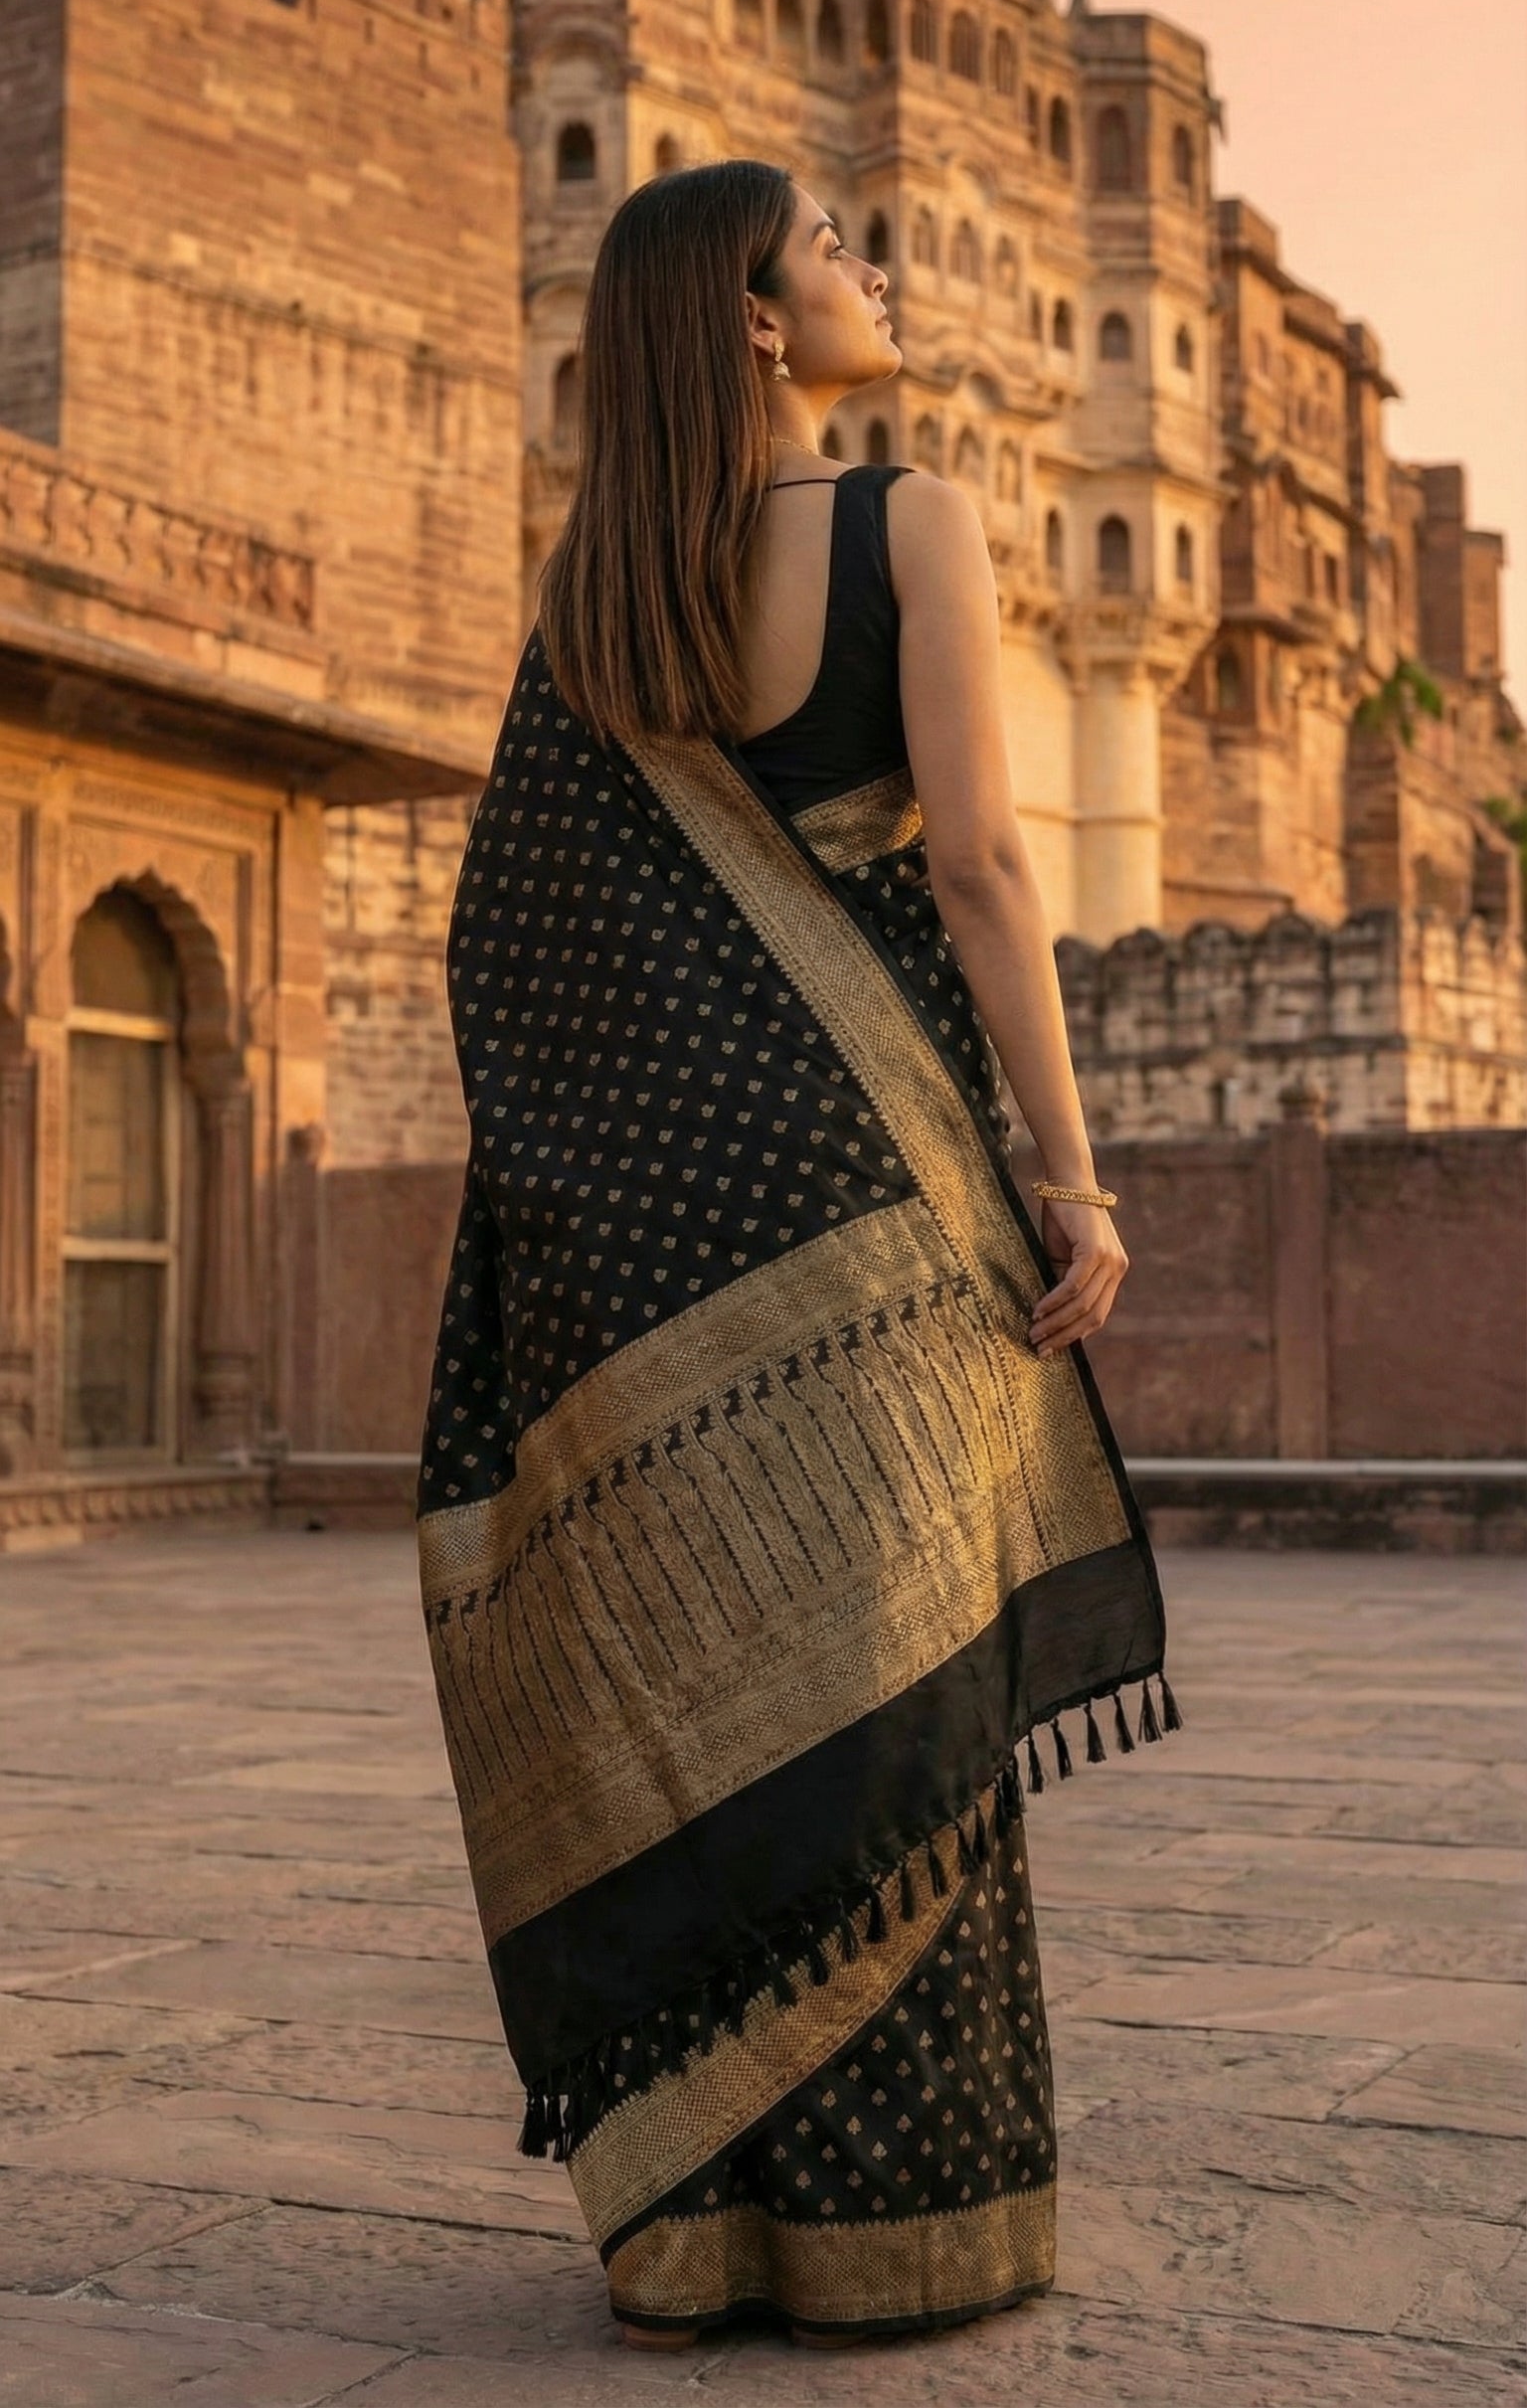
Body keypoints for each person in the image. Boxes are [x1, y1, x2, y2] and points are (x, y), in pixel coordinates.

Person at [417, 159, 1178, 2349]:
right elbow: (991, 867)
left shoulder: (591, 599)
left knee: (708, 1693)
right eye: (837, 246)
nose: (872, 270)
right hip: (884, 1198)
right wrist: (1071, 1165)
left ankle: (696, 2238)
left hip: (676, 1220)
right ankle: (894, 2232)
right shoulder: (903, 519)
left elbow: (516, 952)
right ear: (757, 322)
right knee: (894, 1697)